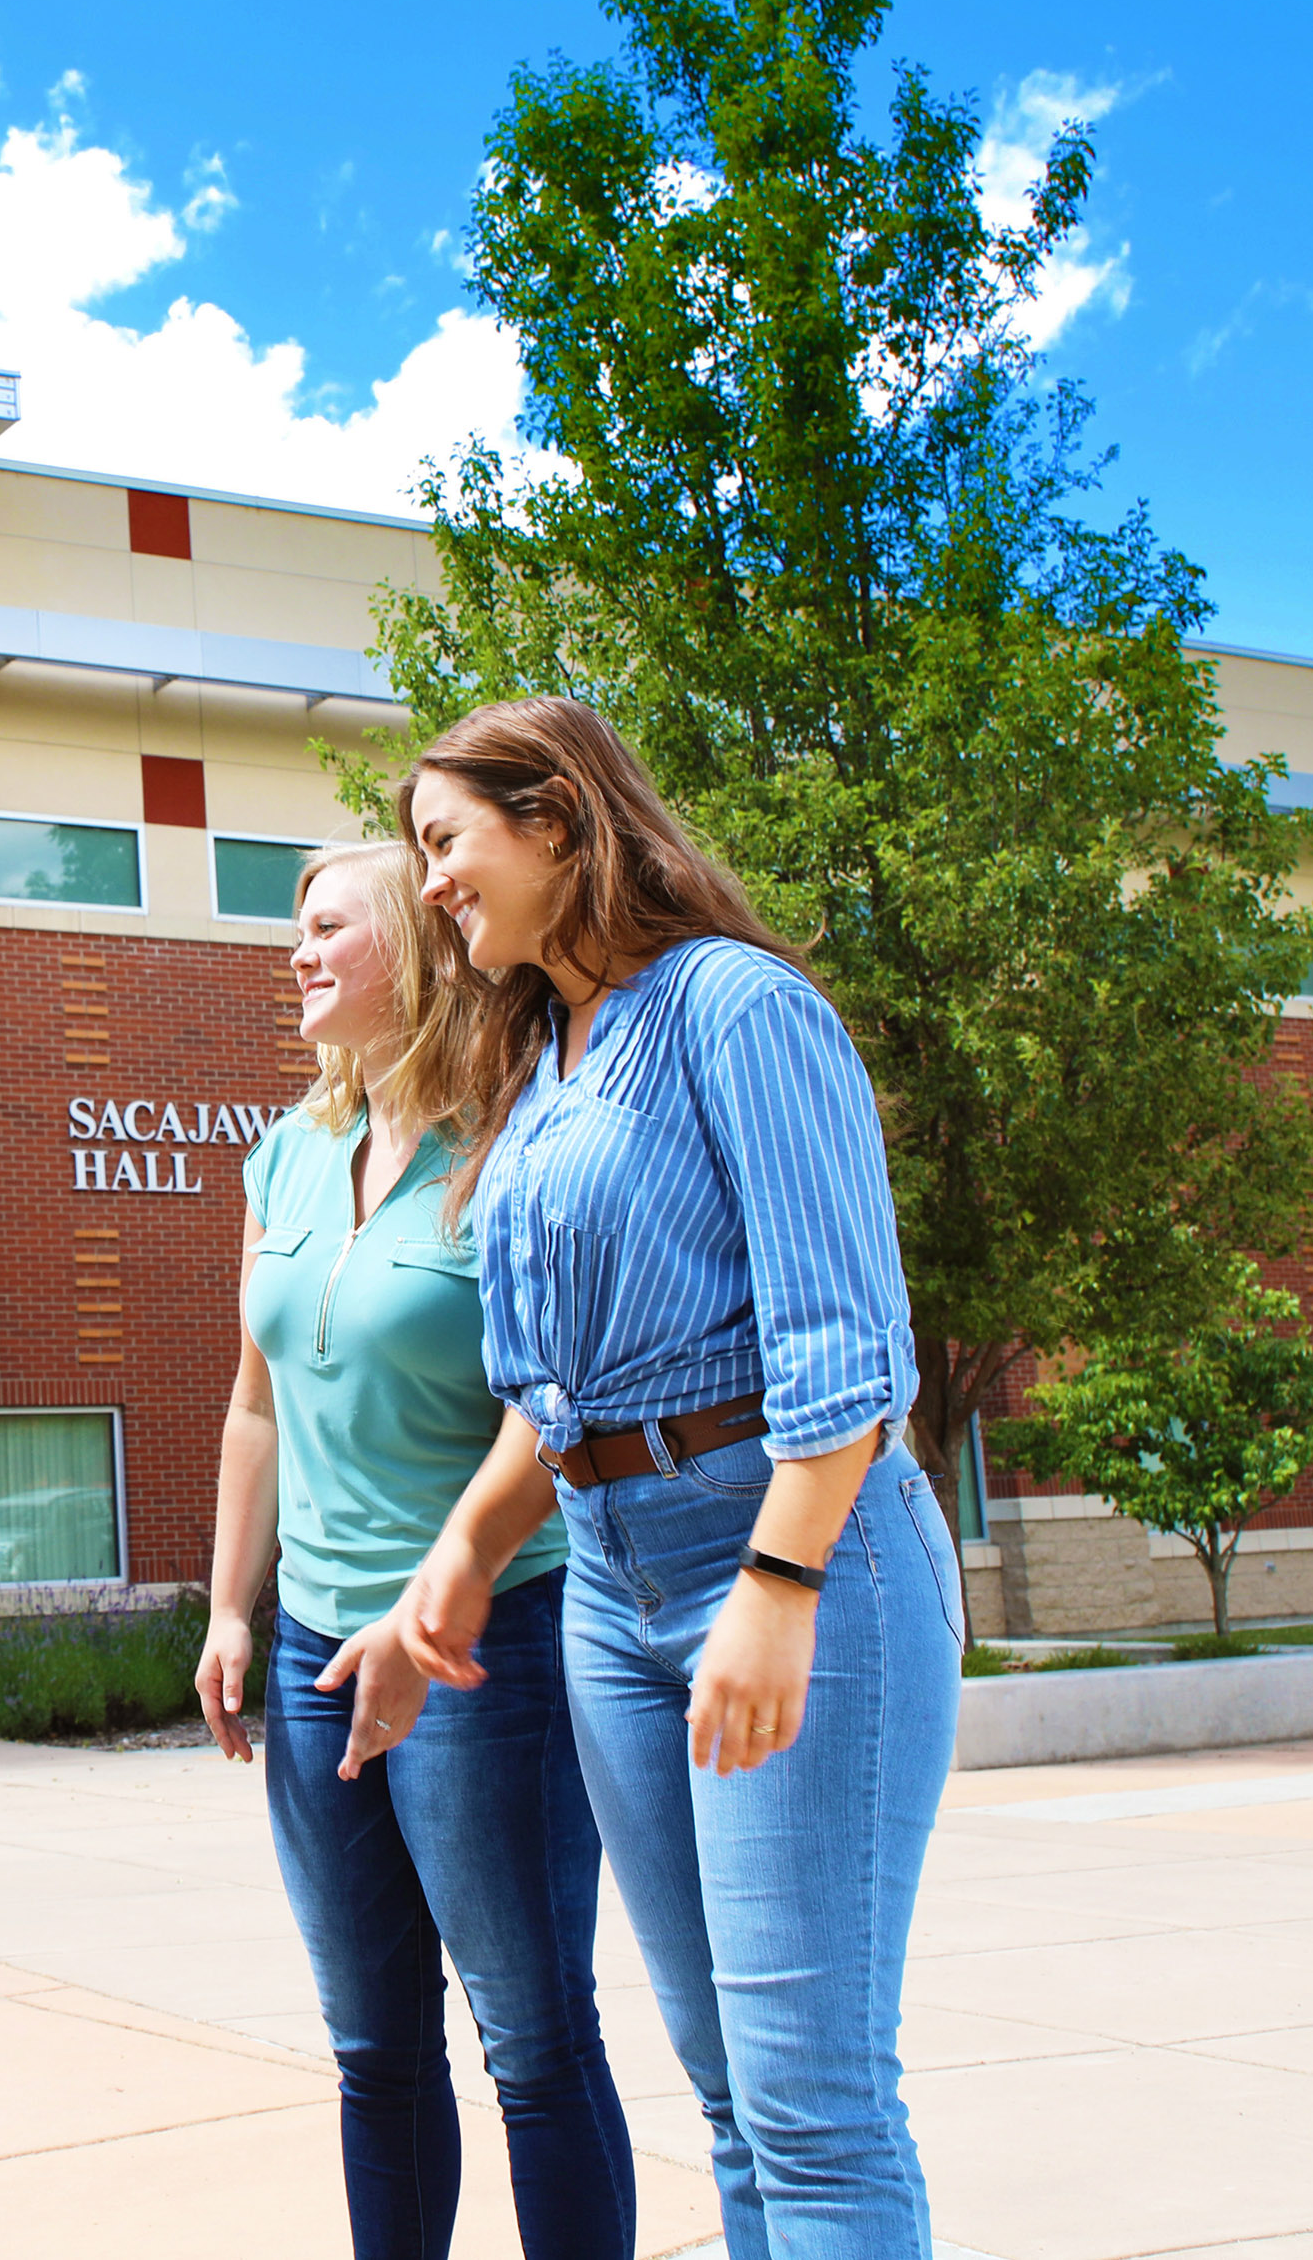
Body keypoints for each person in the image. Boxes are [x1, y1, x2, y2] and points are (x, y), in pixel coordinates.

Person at [388, 696, 965, 2260]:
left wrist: (780, 1590)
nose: (430, 883)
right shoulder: (548, 1064)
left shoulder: (732, 1005)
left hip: (786, 1553)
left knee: (812, 2102)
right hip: (609, 1579)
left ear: (561, 820)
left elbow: (846, 1343)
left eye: (448, 842)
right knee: (724, 2098)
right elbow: (555, 1393)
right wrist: (461, 1551)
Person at [193, 840, 638, 2260]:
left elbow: (551, 1405)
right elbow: (256, 1403)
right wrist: (228, 1611)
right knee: (374, 2048)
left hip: (485, 1641)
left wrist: (440, 1597)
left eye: (329, 926)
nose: (298, 951)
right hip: (318, 1644)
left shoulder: (516, 1143)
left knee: (532, 2038)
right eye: (296, 928)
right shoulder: (287, 1152)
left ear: (418, 948)